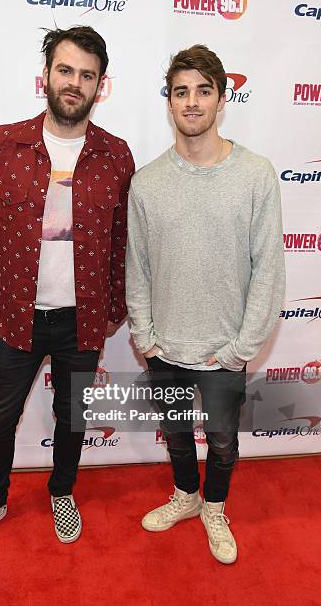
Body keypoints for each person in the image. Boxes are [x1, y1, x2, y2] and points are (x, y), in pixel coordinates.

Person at [0, 26, 134, 554]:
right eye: (65, 70)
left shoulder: (116, 156)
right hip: (16, 316)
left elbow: (123, 242)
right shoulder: (3, 143)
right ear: (47, 75)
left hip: (83, 320)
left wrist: (113, 310)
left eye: (86, 75)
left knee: (71, 419)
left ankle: (62, 491)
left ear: (100, 85)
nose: (74, 83)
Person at [125, 44, 285, 564]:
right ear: (168, 103)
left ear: (221, 99)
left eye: (203, 91)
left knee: (221, 443)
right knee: (175, 435)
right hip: (165, 346)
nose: (191, 102)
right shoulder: (146, 183)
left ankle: (214, 505)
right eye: (181, 92)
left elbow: (269, 269)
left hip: (224, 348)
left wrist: (243, 348)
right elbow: (138, 265)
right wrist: (145, 336)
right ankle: (186, 496)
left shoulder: (256, 173)